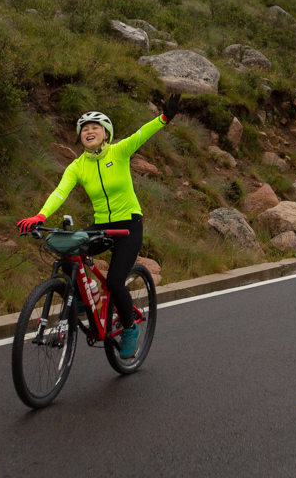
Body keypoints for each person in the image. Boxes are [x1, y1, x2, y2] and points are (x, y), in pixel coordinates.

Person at [17, 92, 181, 358]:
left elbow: (141, 134)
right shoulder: (78, 166)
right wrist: (40, 216)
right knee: (68, 251)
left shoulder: (120, 151)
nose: (89, 131)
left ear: (106, 134)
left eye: (95, 128)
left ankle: (129, 328)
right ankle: (88, 292)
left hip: (128, 225)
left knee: (116, 281)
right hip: (102, 226)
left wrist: (164, 118)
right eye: (85, 129)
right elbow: (60, 192)